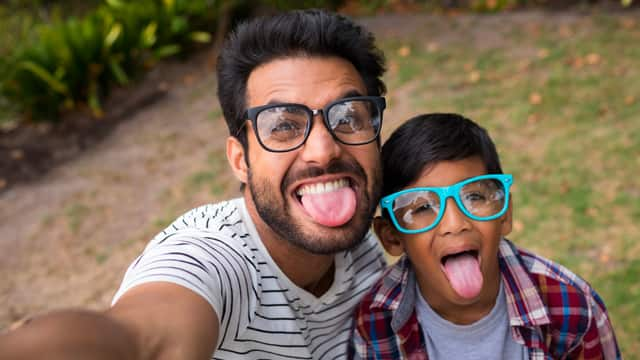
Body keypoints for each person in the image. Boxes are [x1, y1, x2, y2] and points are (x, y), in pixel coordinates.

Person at [0, 9, 388, 359]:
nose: (323, 151)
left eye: (348, 117)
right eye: (284, 126)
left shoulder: (366, 243)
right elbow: (141, 335)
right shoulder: (215, 261)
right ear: (240, 160)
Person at [350, 113, 621, 359]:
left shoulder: (573, 308)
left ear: (505, 214)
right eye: (422, 207)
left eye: (474, 196)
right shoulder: (375, 322)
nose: (454, 224)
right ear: (392, 237)